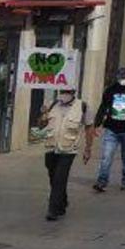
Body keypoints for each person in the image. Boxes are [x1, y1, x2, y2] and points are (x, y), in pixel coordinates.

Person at [39, 84, 92, 221]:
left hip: (68, 149)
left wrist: (88, 149)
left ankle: (53, 209)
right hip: (51, 147)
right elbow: (41, 125)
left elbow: (89, 128)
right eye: (62, 91)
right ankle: (62, 201)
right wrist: (43, 115)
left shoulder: (83, 107)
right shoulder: (52, 105)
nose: (64, 94)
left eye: (67, 92)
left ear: (73, 92)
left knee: (59, 178)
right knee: (52, 175)